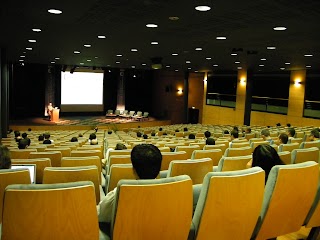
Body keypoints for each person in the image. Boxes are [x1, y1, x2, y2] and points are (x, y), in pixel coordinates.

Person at [97, 144, 162, 223]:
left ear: (133, 170)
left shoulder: (118, 193)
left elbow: (101, 215)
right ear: (159, 169)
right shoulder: (171, 192)